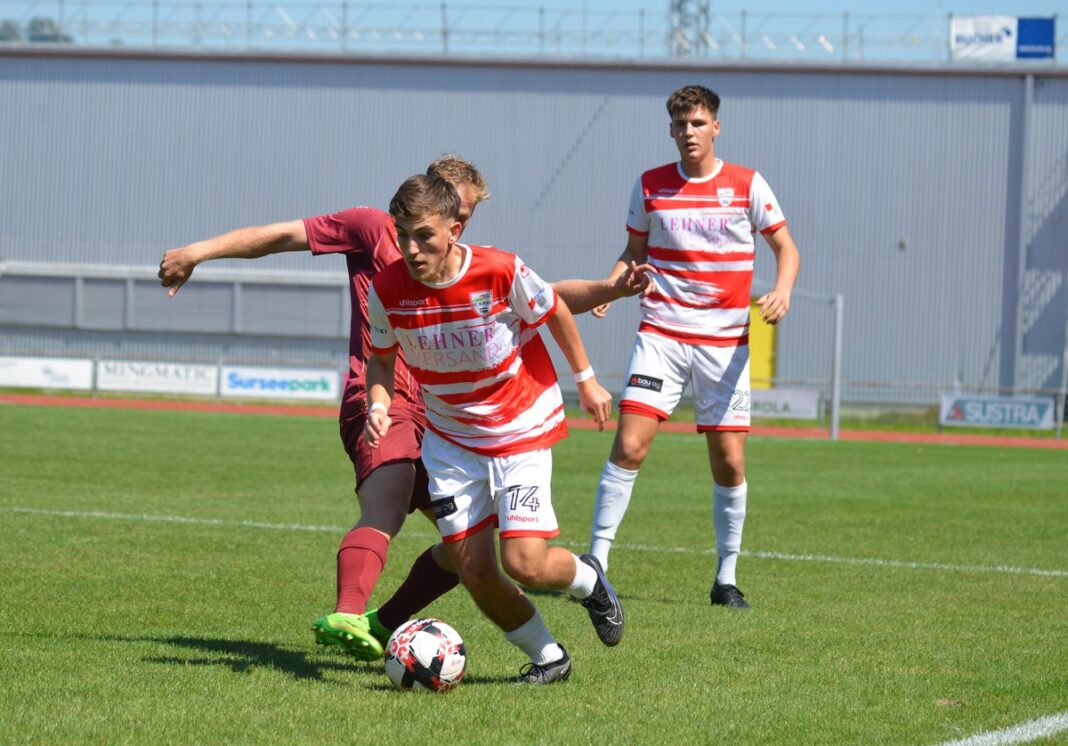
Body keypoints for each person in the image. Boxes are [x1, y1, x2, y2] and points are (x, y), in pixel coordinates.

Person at [157, 157, 648, 662]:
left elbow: (544, 299)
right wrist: (198, 252)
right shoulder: (374, 234)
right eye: (454, 208)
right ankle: (353, 614)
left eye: (466, 216)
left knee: (484, 557)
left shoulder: (475, 262)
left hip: (467, 420)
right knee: (394, 508)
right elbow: (284, 236)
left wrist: (608, 295)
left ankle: (388, 623)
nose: (458, 224)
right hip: (396, 407)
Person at [366, 173, 624, 684]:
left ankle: (587, 579)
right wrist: (379, 402)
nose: (411, 249)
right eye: (402, 235)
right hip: (450, 443)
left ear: (454, 230)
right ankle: (549, 658)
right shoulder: (387, 288)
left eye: (424, 235)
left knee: (525, 563)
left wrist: (587, 380)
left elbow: (554, 309)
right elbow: (381, 358)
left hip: (519, 429)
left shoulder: (500, 270)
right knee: (474, 569)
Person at [587, 85, 800, 609]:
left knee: (729, 461)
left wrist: (782, 290)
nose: (689, 133)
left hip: (725, 345)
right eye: (681, 125)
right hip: (661, 334)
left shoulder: (747, 184)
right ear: (671, 130)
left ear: (716, 127)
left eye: (698, 123)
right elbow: (634, 250)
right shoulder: (650, 184)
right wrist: (611, 287)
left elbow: (786, 247)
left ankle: (726, 579)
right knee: (629, 446)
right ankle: (595, 564)